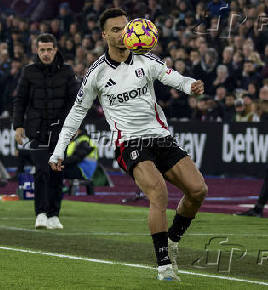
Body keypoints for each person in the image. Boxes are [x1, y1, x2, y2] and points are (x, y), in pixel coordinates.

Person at [49, 9, 207, 281]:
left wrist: (191, 85)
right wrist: (58, 150)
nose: (122, 34)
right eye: (115, 30)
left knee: (198, 191)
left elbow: (175, 78)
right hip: (129, 143)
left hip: (160, 137)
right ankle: (164, 266)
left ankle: (172, 240)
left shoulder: (146, 60)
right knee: (158, 193)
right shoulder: (96, 73)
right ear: (103, 35)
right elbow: (77, 113)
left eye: (125, 28)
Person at [13, 33, 78, 230]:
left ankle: (54, 215)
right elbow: (20, 100)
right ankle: (40, 213)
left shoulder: (67, 72)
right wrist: (18, 125)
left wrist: (72, 125)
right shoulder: (29, 71)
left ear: (55, 50)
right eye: (42, 50)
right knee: (41, 171)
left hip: (60, 132)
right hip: (37, 130)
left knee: (57, 173)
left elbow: (74, 101)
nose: (46, 53)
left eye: (49, 49)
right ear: (37, 50)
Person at [64, 127, 98, 196]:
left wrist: (61, 162)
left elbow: (77, 158)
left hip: (83, 170)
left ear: (79, 130)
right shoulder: (77, 140)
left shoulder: (84, 140)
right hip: (79, 167)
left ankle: (61, 187)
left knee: (55, 170)